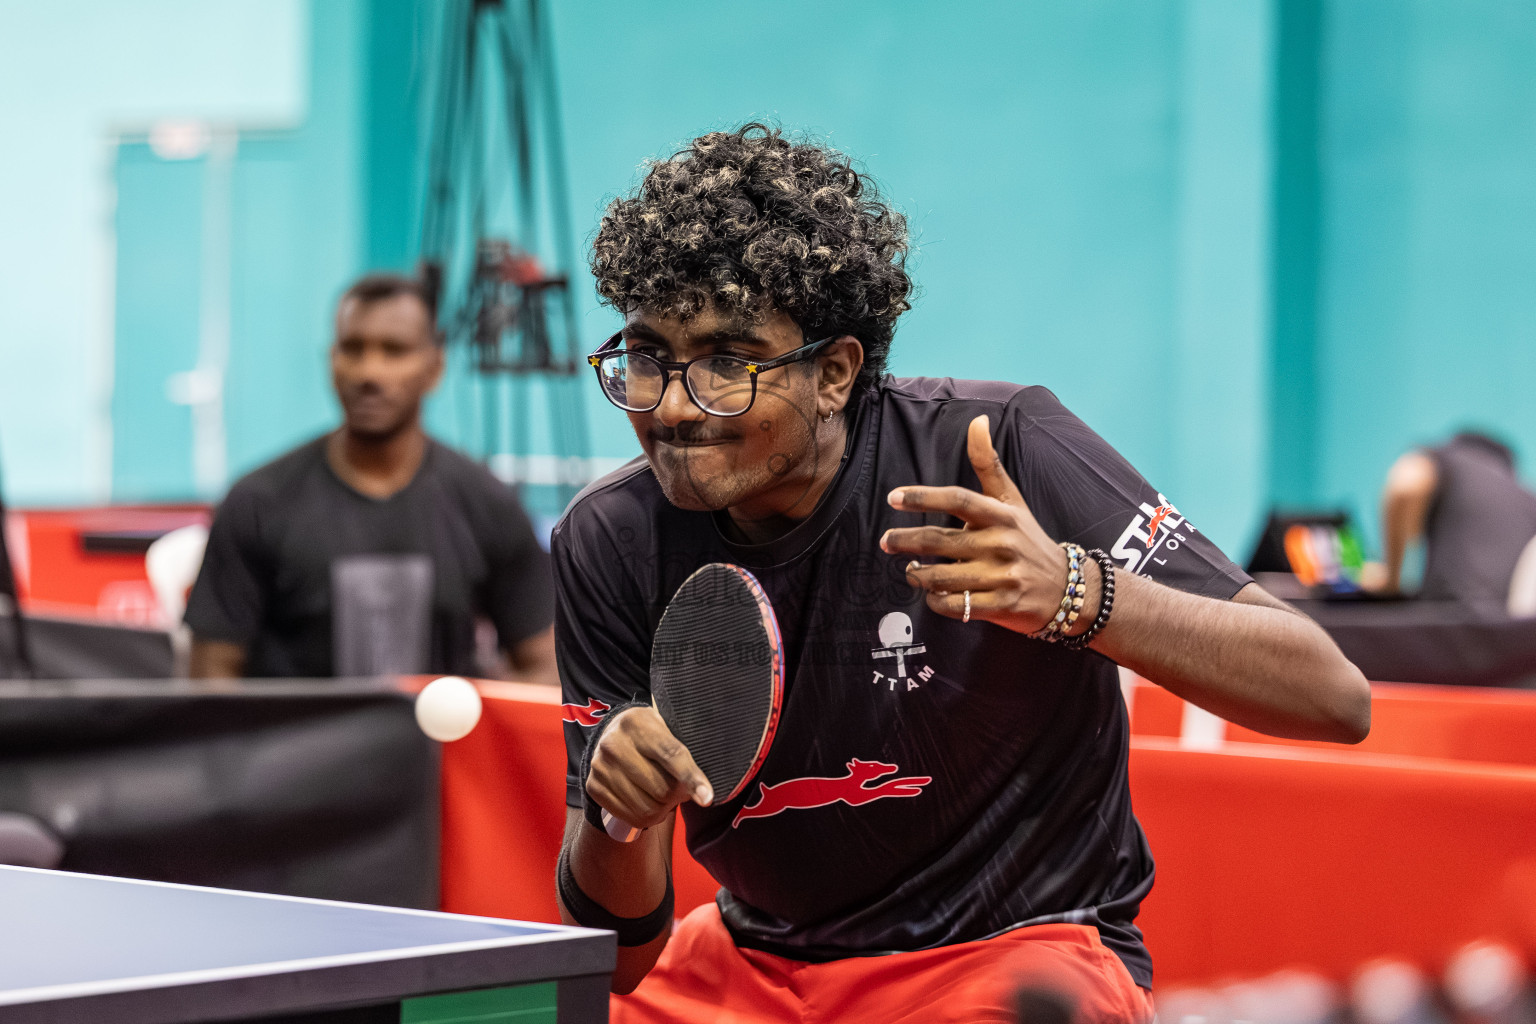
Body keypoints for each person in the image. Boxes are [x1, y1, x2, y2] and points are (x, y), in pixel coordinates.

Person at [553, 125, 1370, 1023]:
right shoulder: (611, 538)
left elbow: (1332, 696)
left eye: (727, 364)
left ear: (834, 372)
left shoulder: (1002, 446)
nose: (673, 406)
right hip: (750, 964)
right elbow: (621, 960)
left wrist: (1076, 593)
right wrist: (619, 815)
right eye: (648, 359)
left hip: (1008, 955)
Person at [184, 273, 556, 683]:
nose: (369, 372)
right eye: (353, 348)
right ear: (332, 361)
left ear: (434, 367)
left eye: (394, 350)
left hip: (441, 728)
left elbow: (544, 666)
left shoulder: (488, 503)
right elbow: (209, 680)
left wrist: (481, 713)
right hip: (298, 729)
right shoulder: (257, 503)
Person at [1363, 431, 1536, 612]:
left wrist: (1391, 578)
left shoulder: (1454, 459)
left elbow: (1404, 485)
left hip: (1445, 618)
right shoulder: (1527, 497)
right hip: (1505, 626)